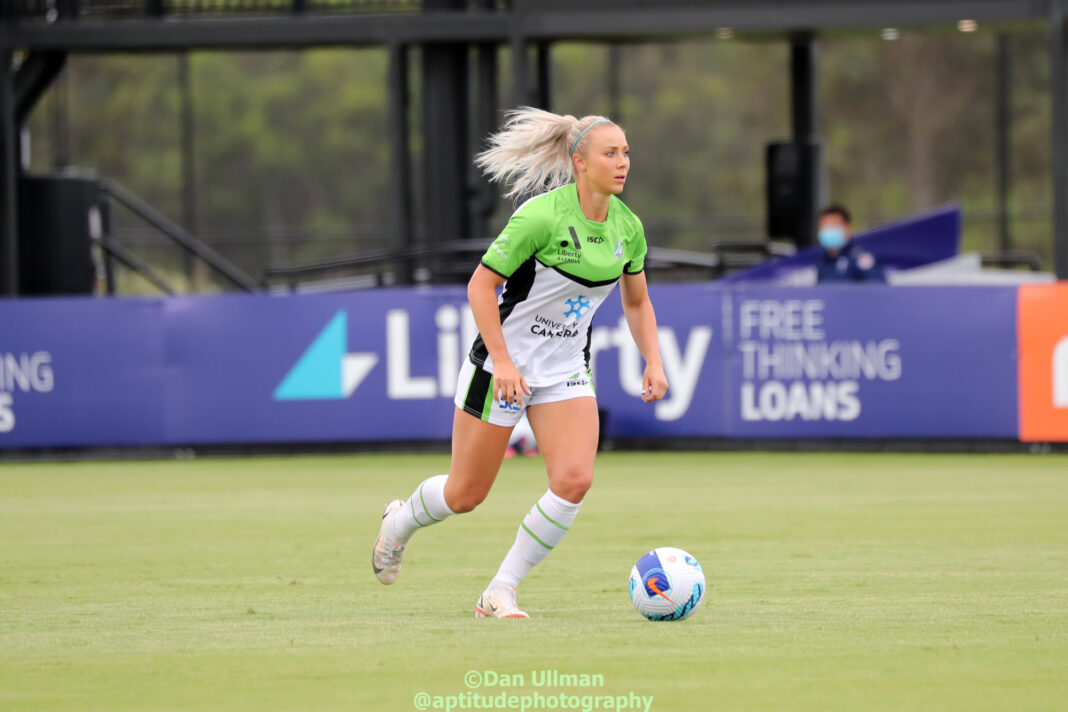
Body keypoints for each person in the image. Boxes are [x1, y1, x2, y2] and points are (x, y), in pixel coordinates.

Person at [371, 107, 668, 618]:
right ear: (579, 162)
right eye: (610, 153)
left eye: (626, 153)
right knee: (465, 495)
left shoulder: (628, 228)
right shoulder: (541, 216)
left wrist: (654, 362)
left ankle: (500, 590)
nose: (622, 163)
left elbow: (637, 302)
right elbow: (480, 287)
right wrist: (505, 363)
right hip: (501, 367)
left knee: (574, 480)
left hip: (566, 370)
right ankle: (398, 524)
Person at [815, 205, 885, 284]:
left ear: (848, 227)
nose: (829, 230)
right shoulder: (822, 261)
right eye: (824, 226)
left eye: (833, 225)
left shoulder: (860, 258)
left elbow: (878, 289)